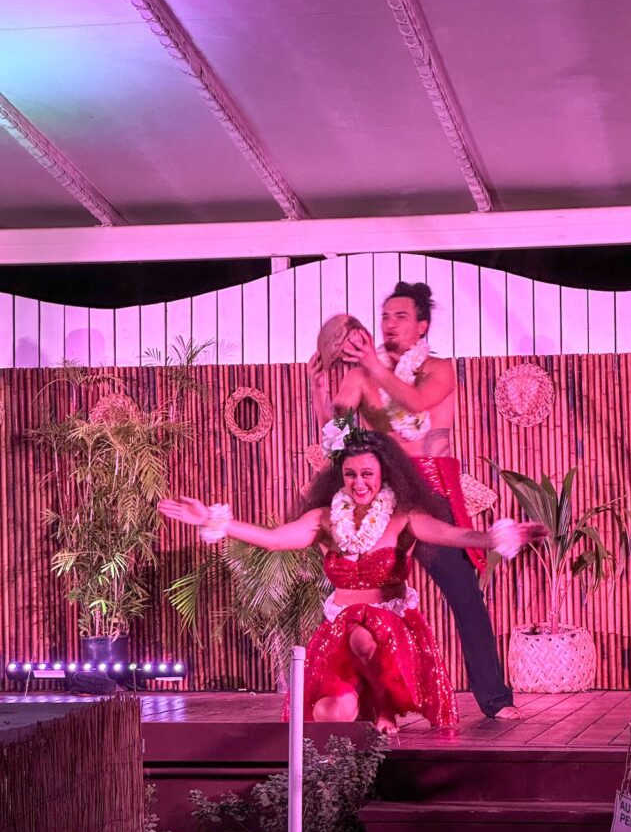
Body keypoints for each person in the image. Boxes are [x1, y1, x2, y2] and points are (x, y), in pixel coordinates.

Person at [158, 428, 545, 735]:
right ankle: (355, 741)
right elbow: (275, 539)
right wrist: (213, 518)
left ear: (385, 474)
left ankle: (386, 708)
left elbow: (451, 535)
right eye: (350, 475)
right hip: (339, 638)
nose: (358, 484)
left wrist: (493, 538)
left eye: (367, 474)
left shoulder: (403, 516)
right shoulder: (326, 518)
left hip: (389, 636)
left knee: (365, 628)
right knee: (332, 713)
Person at [308, 282, 522, 719]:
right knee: (368, 596)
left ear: (422, 326)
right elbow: (338, 432)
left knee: (464, 596)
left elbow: (418, 401)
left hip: (429, 491)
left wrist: (372, 365)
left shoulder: (440, 369)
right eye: (384, 317)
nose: (389, 325)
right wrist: (318, 393)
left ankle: (495, 701)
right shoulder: (361, 375)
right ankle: (373, 704)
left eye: (400, 317)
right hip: (384, 497)